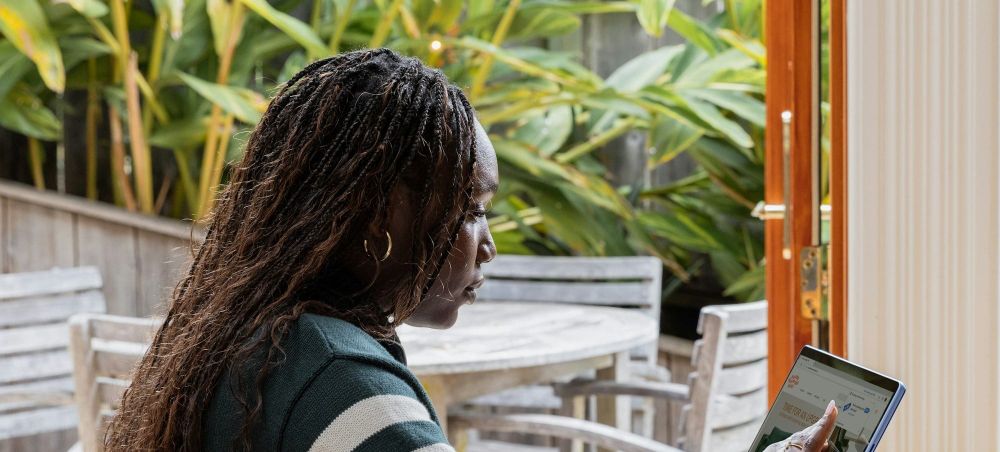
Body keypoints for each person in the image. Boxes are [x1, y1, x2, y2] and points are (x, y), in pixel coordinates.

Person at [105, 48, 838, 452]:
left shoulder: (262, 341)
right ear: (377, 219)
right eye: (472, 211)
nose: (487, 246)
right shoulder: (339, 382)